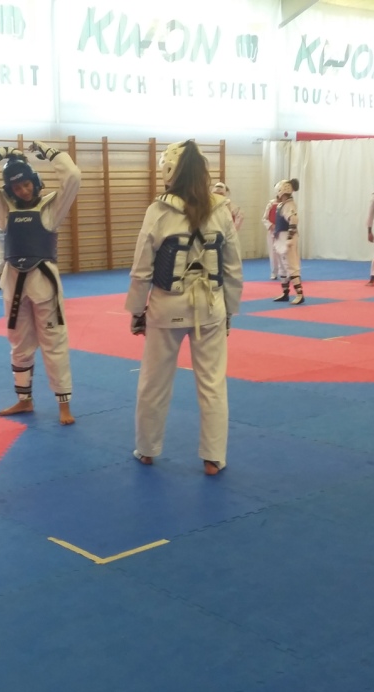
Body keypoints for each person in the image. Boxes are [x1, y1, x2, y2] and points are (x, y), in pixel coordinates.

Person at [126, 140, 244, 475]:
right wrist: (229, 311)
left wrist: (137, 310)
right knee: (213, 384)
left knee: (153, 382)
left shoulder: (159, 211)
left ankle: (147, 449)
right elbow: (233, 269)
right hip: (211, 307)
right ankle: (213, 457)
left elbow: (142, 269)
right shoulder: (220, 209)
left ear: (169, 171)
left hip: (166, 307)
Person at [0, 140, 82, 425]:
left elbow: (73, 176)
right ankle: (24, 399)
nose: (23, 190)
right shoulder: (3, 209)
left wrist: (50, 153)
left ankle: (64, 404)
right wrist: (1, 153)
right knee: (19, 343)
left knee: (54, 342)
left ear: (36, 181)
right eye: (17, 187)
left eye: (27, 184)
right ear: (9, 190)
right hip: (13, 283)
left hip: (44, 284)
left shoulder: (52, 207)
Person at [271, 178, 304, 304]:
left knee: (291, 265)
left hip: (287, 237)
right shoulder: (282, 205)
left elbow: (293, 220)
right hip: (280, 237)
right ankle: (285, 292)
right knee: (282, 267)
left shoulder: (289, 205)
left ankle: (300, 294)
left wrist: (290, 237)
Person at [262, 194, 279, 280]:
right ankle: (274, 272)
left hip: (284, 231)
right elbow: (264, 218)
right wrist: (271, 225)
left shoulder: (288, 204)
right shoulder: (271, 204)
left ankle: (288, 272)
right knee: (273, 252)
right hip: (272, 231)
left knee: (285, 252)